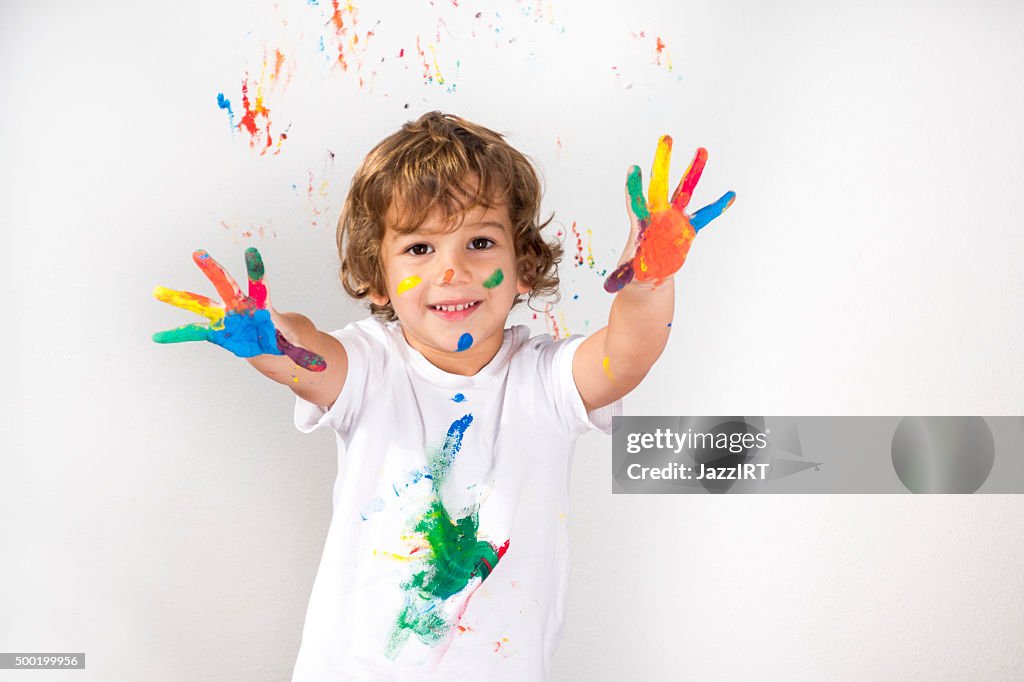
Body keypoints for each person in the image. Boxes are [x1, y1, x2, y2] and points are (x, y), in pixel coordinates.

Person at [152, 111, 734, 681]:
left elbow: (627, 354)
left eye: (480, 241)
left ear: (524, 266)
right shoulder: (369, 368)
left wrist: (650, 282)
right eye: (420, 249)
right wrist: (265, 335)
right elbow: (302, 355)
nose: (452, 270)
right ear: (377, 276)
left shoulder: (547, 381)